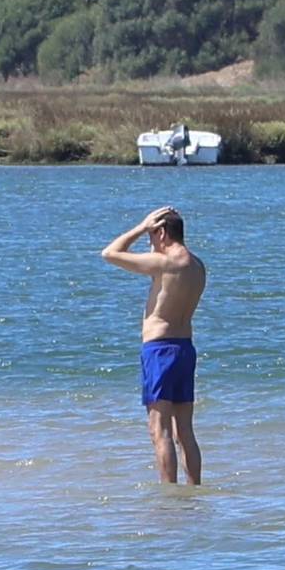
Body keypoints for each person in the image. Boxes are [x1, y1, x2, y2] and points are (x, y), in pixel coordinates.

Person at [101, 205, 206, 485]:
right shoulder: (196, 265)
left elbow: (109, 253)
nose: (150, 243)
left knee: (158, 430)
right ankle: (193, 490)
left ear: (161, 232)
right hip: (185, 348)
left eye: (151, 235)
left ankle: (169, 495)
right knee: (184, 430)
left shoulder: (166, 263)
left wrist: (139, 227)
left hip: (160, 350)